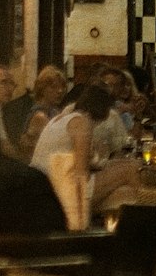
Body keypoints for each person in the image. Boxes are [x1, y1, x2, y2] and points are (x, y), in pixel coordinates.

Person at [35, 79, 109, 223]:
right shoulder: (81, 122)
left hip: (44, 184)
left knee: (123, 193)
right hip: (57, 189)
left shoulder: (60, 118)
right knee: (130, 169)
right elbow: (82, 174)